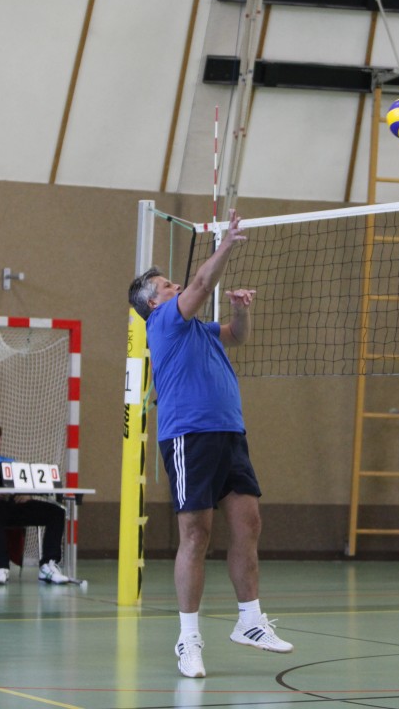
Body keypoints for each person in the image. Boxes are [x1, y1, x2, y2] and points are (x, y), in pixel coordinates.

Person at [128, 209, 293, 680]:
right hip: (188, 436)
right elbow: (201, 282)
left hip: (229, 433)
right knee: (196, 535)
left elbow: (237, 335)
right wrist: (227, 244)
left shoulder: (200, 329)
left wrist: (241, 308)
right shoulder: (163, 323)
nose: (176, 287)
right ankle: (189, 639)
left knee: (248, 523)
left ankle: (250, 621)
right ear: (153, 303)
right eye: (166, 286)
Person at [0, 419, 69, 586]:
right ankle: (1, 568)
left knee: (56, 512)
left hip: (13, 507)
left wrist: (26, 494)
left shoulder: (11, 463)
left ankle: (48, 565)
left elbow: (24, 486)